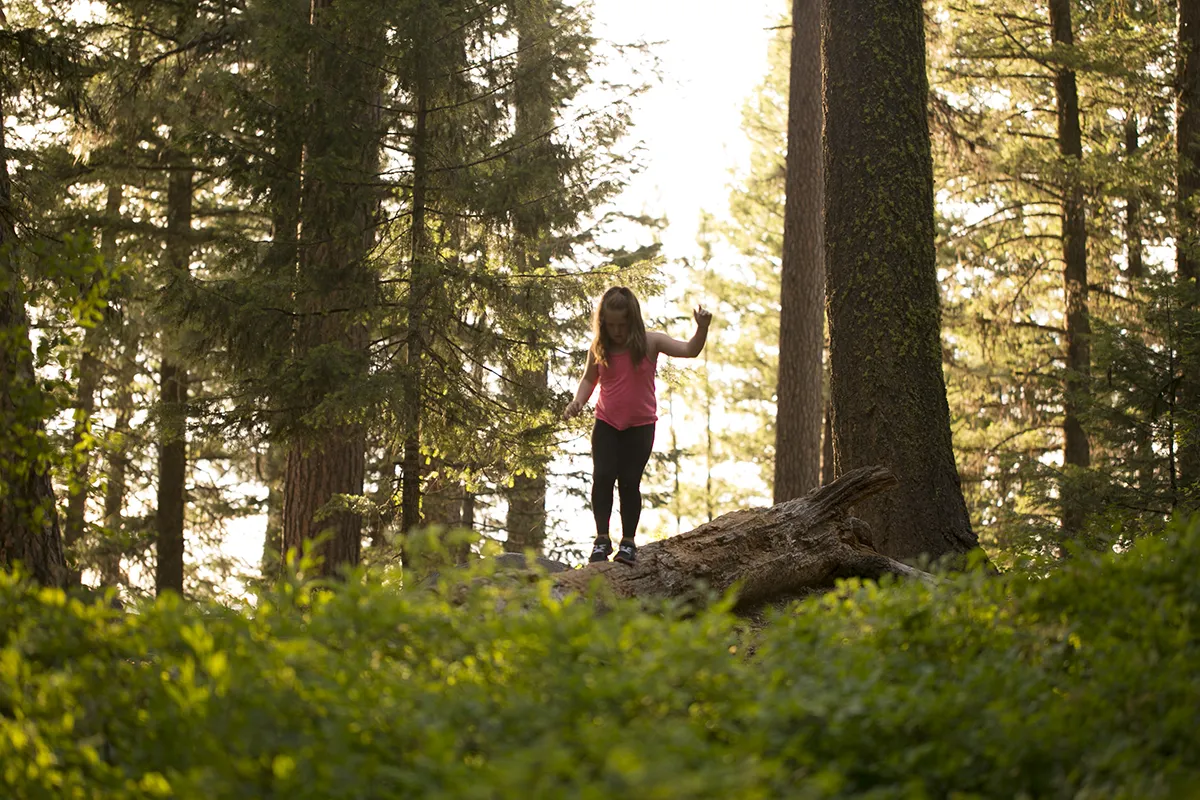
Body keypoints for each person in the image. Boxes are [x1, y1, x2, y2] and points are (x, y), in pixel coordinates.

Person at [562, 286, 713, 565]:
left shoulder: (650, 343)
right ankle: (601, 540)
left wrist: (701, 328)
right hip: (606, 423)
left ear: (633, 320)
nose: (617, 331)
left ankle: (628, 543)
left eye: (623, 324)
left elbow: (689, 350)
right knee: (603, 477)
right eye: (611, 325)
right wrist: (578, 402)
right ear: (603, 323)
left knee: (629, 482)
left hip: (640, 427)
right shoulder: (599, 348)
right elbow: (588, 380)